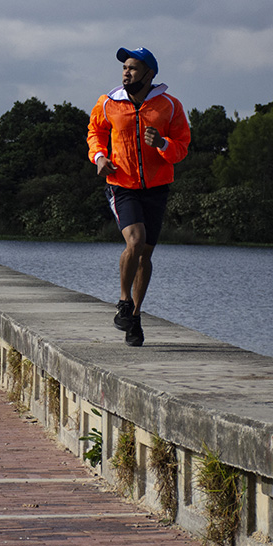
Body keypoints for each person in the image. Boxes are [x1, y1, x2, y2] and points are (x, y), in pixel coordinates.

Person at [86, 47, 191, 346]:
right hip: (122, 184)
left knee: (145, 252)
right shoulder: (109, 102)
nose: (126, 72)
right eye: (124, 68)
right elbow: (94, 132)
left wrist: (162, 143)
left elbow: (181, 148)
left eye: (132, 68)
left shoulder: (169, 106)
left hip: (157, 188)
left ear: (149, 74)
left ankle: (135, 316)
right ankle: (123, 302)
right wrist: (99, 157)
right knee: (135, 240)